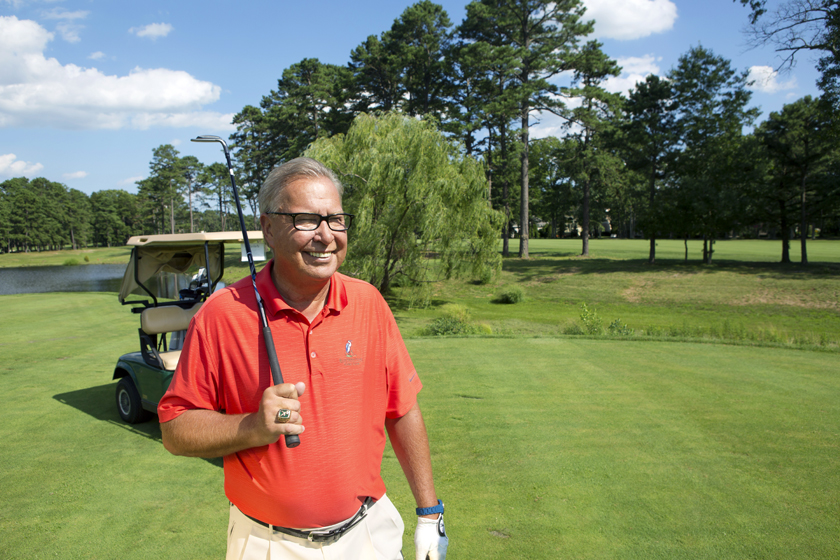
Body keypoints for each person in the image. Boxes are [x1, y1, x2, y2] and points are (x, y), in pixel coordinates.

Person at [158, 157, 448, 560]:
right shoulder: (221, 314)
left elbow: (402, 409)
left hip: (368, 535)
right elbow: (175, 428)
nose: (326, 235)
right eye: (307, 220)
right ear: (268, 228)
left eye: (336, 219)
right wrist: (252, 427)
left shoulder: (368, 303)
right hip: (267, 543)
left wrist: (429, 512)